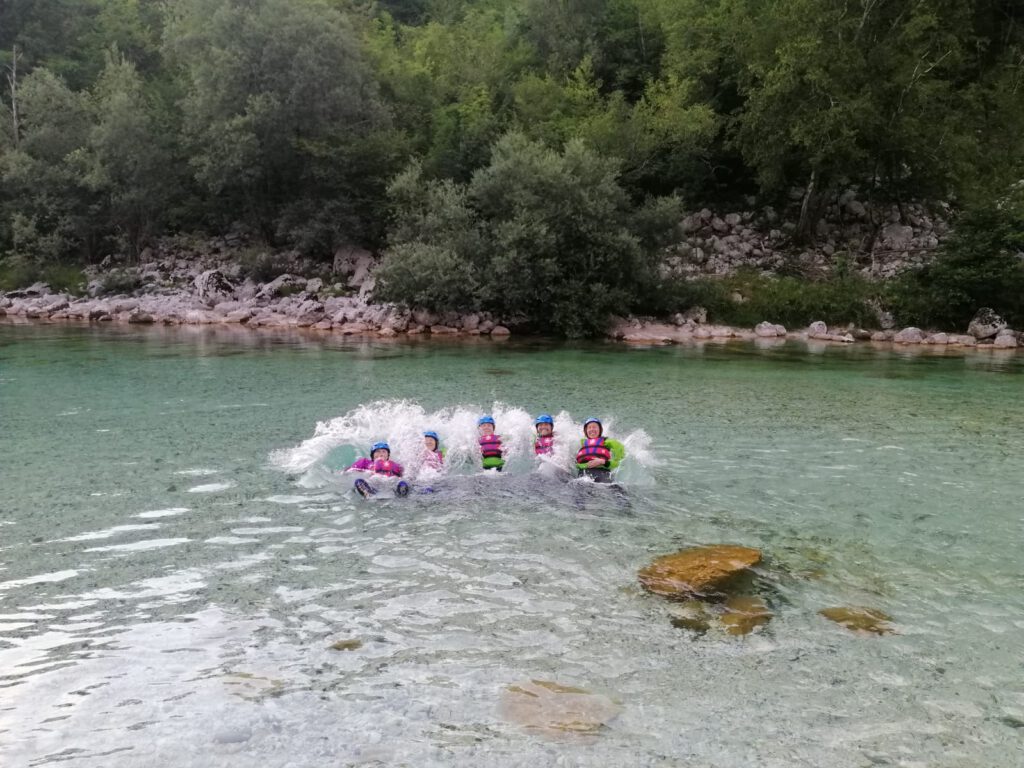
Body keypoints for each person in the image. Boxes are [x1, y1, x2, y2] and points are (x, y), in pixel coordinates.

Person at [575, 417, 625, 482]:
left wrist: (602, 462)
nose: (592, 429)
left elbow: (619, 462)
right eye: (589, 428)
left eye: (594, 427)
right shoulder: (583, 443)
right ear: (586, 431)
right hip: (583, 475)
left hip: (602, 474)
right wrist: (585, 465)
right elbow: (577, 464)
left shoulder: (607, 442)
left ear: (600, 430)